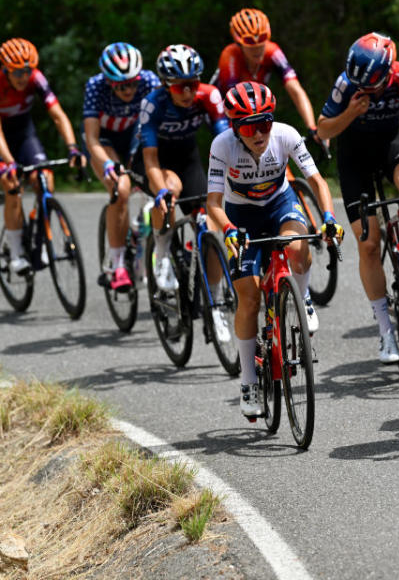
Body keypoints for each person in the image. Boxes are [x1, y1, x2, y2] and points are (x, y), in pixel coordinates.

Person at [206, 81, 341, 417]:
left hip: (280, 204)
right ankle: (249, 381)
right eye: (250, 127)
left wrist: (328, 217)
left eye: (264, 124)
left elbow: (317, 182)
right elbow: (213, 203)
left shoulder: (286, 135)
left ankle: (304, 297)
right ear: (236, 128)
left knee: (298, 245)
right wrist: (228, 230)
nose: (259, 133)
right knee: (249, 299)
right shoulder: (222, 145)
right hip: (241, 217)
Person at [315, 32, 399, 364]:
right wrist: (351, 112)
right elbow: (322, 130)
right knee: (368, 243)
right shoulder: (346, 84)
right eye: (362, 88)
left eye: (374, 87)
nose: (368, 92)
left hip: (390, 144)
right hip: (354, 157)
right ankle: (385, 331)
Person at [134, 44, 229, 311]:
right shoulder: (153, 104)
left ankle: (217, 300)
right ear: (166, 85)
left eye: (192, 83)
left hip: (188, 159)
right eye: (179, 86)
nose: (188, 92)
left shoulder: (209, 96)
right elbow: (150, 158)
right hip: (155, 161)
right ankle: (162, 254)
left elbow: (225, 141)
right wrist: (161, 190)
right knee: (171, 189)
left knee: (208, 223)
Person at [0, 38, 84, 274]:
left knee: (45, 177)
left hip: (24, 132)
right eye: (17, 72)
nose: (23, 77)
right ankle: (16, 252)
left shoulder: (36, 79)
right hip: (1, 139)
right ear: (5, 69)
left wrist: (72, 148)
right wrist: (9, 162)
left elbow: (58, 114)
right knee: (11, 184)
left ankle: (42, 235)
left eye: (27, 71)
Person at [82, 42, 162, 290]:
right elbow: (92, 137)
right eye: (121, 85)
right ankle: (116, 265)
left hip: (134, 137)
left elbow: (161, 123)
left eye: (133, 83)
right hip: (104, 140)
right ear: (109, 82)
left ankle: (144, 238)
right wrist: (106, 164)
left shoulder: (149, 81)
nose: (129, 89)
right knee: (122, 188)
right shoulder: (96, 87)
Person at [213, 8, 323, 145]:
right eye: (250, 45)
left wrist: (312, 127)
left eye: (261, 43)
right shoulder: (230, 56)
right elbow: (232, 103)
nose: (258, 49)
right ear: (239, 44)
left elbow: (295, 89)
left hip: (253, 107)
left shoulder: (272, 51)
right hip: (226, 109)